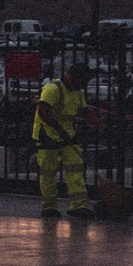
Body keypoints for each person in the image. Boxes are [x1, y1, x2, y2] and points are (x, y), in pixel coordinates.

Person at [34, 63, 91, 218]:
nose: (83, 85)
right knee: (48, 172)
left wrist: (96, 121)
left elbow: (83, 110)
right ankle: (49, 207)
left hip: (68, 135)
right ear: (71, 77)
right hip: (47, 135)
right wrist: (60, 131)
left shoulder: (77, 91)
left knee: (75, 169)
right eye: (82, 81)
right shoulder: (53, 89)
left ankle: (79, 206)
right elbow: (43, 112)